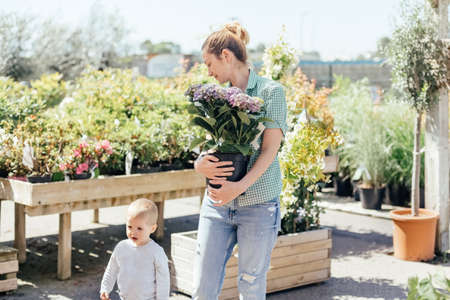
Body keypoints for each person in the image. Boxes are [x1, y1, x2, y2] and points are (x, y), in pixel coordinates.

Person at [193, 21, 288, 300]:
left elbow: (270, 150)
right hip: (217, 204)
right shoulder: (215, 97)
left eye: (209, 63)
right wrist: (199, 164)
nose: (208, 71)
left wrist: (240, 186)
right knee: (202, 285)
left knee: (251, 284)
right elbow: (209, 145)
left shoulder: (271, 92)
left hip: (258, 205)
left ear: (226, 56)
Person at [100, 198, 170, 300]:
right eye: (130, 226)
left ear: (152, 229)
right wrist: (105, 289)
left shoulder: (156, 252)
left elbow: (163, 280)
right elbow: (111, 269)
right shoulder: (121, 247)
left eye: (139, 228)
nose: (133, 232)